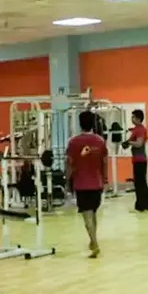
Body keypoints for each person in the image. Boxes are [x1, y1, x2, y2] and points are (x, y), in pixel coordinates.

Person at [66, 110, 108, 258]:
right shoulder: (100, 141)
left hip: (82, 183)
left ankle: (94, 242)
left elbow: (70, 164)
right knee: (93, 213)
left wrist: (67, 181)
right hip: (97, 183)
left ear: (80, 124)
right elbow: (104, 162)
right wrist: (105, 180)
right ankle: (93, 239)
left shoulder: (73, 142)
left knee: (87, 215)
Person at [126, 109, 148, 212]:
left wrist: (129, 142)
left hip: (140, 160)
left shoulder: (140, 129)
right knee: (141, 183)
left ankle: (141, 205)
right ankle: (145, 204)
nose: (132, 119)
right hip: (137, 159)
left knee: (140, 183)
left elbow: (139, 143)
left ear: (138, 118)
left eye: (133, 117)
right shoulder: (136, 129)